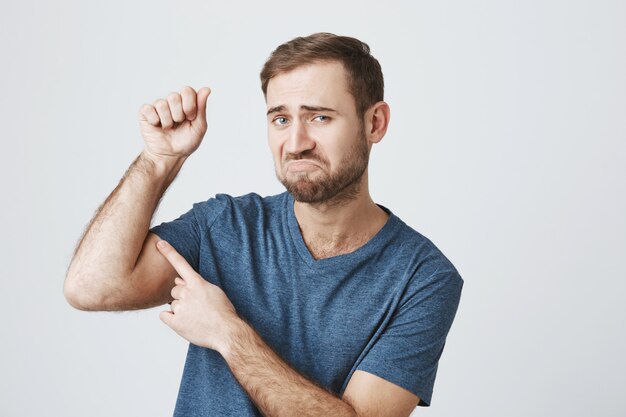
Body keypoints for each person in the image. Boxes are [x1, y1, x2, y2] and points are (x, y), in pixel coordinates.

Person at [64, 32, 463, 417]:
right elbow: (90, 287)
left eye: (320, 117)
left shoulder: (423, 277)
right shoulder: (225, 227)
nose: (295, 143)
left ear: (375, 123)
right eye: (280, 120)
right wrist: (158, 161)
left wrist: (228, 333)